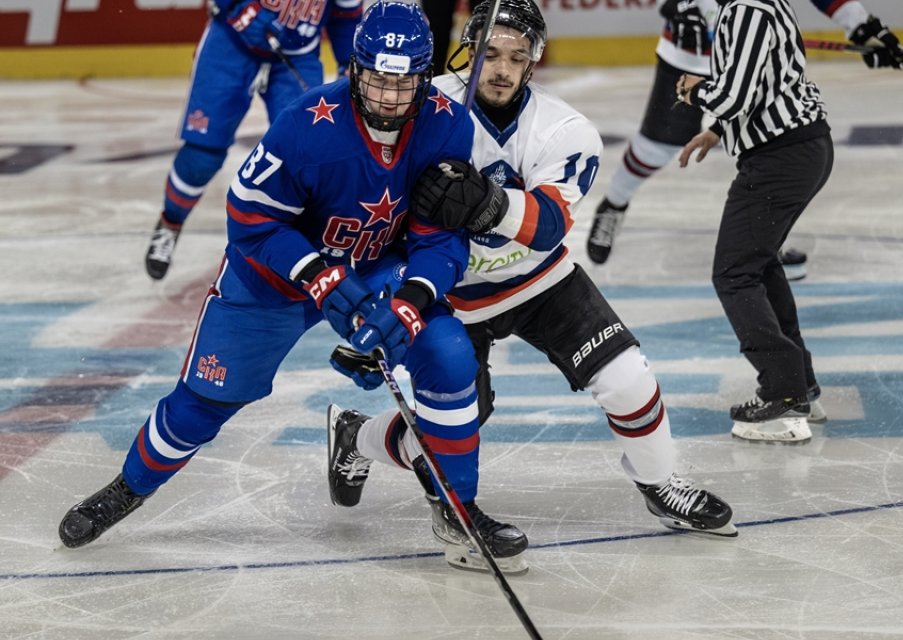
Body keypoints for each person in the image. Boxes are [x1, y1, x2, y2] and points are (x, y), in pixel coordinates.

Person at [59, 3, 524, 558]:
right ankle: (127, 489)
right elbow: (250, 219)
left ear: (425, 77)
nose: (390, 98)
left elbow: (438, 236)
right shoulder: (305, 124)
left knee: (449, 356)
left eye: (405, 84)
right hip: (276, 277)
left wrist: (412, 300)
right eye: (377, 80)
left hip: (374, 264)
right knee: (201, 404)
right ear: (355, 69)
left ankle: (458, 508)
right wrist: (317, 276)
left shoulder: (447, 121)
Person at [326, 0, 738, 570]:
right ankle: (358, 438)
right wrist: (366, 298)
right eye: (490, 53)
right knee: (453, 424)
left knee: (628, 379)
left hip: (539, 280)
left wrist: (487, 203)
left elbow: (546, 227)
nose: (500, 68)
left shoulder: (565, 129)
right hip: (443, 295)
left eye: (517, 57)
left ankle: (661, 482)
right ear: (468, 51)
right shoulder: (419, 107)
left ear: (534, 61)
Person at [585, 0, 903, 278]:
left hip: (751, 47)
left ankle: (762, 246)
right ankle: (615, 202)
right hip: (691, 53)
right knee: (660, 145)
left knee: (766, 142)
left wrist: (860, 24)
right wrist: (683, 7)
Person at [674, 0, 838, 443]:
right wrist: (719, 131)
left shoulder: (746, 8)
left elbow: (732, 95)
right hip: (793, 150)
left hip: (781, 158)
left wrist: (694, 89)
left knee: (734, 272)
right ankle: (799, 385)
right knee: (758, 265)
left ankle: (784, 398)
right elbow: (764, 85)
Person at [143, 0, 363, 280]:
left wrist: (349, 61)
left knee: (309, 153)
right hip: (231, 44)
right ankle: (170, 222)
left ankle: (308, 250)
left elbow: (346, 15)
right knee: (202, 156)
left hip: (296, 54)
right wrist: (235, 7)